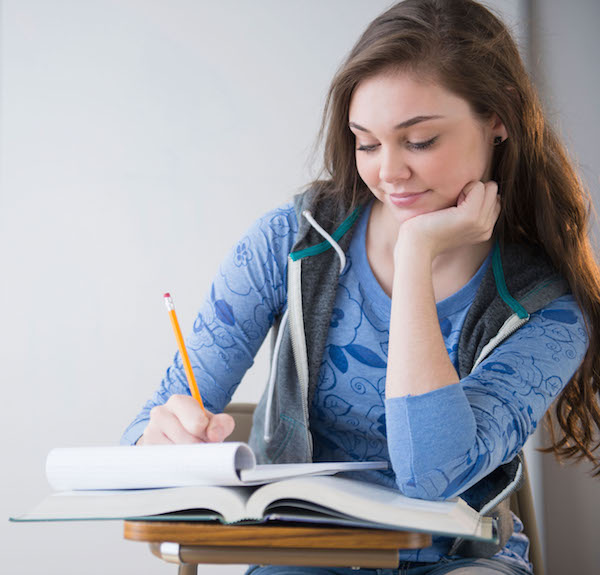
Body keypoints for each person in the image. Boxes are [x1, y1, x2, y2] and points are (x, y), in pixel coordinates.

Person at [122, 0, 600, 573]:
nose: (388, 173)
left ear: (498, 120)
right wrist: (160, 444)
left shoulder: (545, 305)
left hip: (458, 560)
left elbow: (430, 475)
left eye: (419, 141)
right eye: (366, 143)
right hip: (301, 555)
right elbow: (143, 430)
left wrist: (416, 252)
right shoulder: (295, 241)